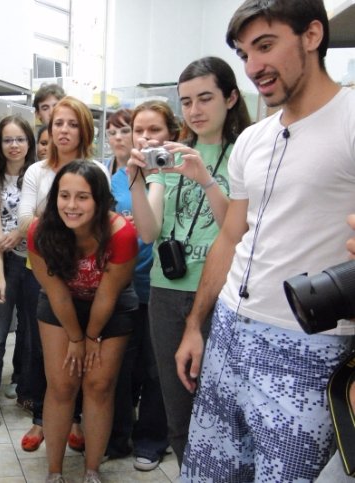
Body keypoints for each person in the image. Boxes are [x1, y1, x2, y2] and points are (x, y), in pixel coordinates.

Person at [175, 1, 355, 481]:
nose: (253, 67)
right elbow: (232, 237)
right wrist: (197, 324)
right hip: (230, 331)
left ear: (312, 36)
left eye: (265, 46)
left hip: (307, 348)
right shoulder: (254, 140)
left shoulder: (350, 119)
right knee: (209, 471)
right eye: (243, 53)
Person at [127, 55, 251, 468]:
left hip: (219, 292)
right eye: (186, 102)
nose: (195, 111)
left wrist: (205, 179)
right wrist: (137, 182)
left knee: (221, 405)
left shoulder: (244, 153)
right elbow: (149, 231)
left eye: (205, 98)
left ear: (230, 97)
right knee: (178, 407)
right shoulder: (172, 154)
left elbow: (238, 230)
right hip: (166, 291)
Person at [28, 160, 138, 483]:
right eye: (64, 196)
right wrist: (76, 338)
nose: (71, 206)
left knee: (98, 385)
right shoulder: (39, 231)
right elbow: (56, 293)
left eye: (82, 197)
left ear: (100, 200)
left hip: (111, 306)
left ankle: (92, 470)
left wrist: (91, 337)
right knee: (62, 385)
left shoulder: (121, 233)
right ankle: (54, 472)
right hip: (62, 306)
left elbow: (107, 295)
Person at [17, 96, 111, 453]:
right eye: (59, 123)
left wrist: (54, 223)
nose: (65, 130)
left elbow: (101, 227)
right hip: (41, 271)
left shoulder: (97, 171)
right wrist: (68, 216)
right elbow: (24, 222)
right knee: (45, 355)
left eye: (73, 124)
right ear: (50, 128)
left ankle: (75, 421)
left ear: (84, 129)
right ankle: (42, 419)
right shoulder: (36, 172)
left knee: (83, 356)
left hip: (89, 279)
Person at [102, 108, 168, 471]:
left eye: (149, 130)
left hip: (164, 286)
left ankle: (152, 440)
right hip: (126, 285)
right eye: (134, 130)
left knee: (156, 367)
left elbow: (153, 231)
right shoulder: (114, 181)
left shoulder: (175, 175)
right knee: (123, 366)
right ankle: (118, 436)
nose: (139, 138)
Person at [0, 115, 38, 427]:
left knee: (30, 331)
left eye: (20, 139)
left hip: (37, 262)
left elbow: (43, 221)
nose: (14, 145)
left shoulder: (39, 174)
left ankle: (25, 390)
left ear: (30, 142)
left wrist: (23, 236)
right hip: (7, 262)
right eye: (7, 140)